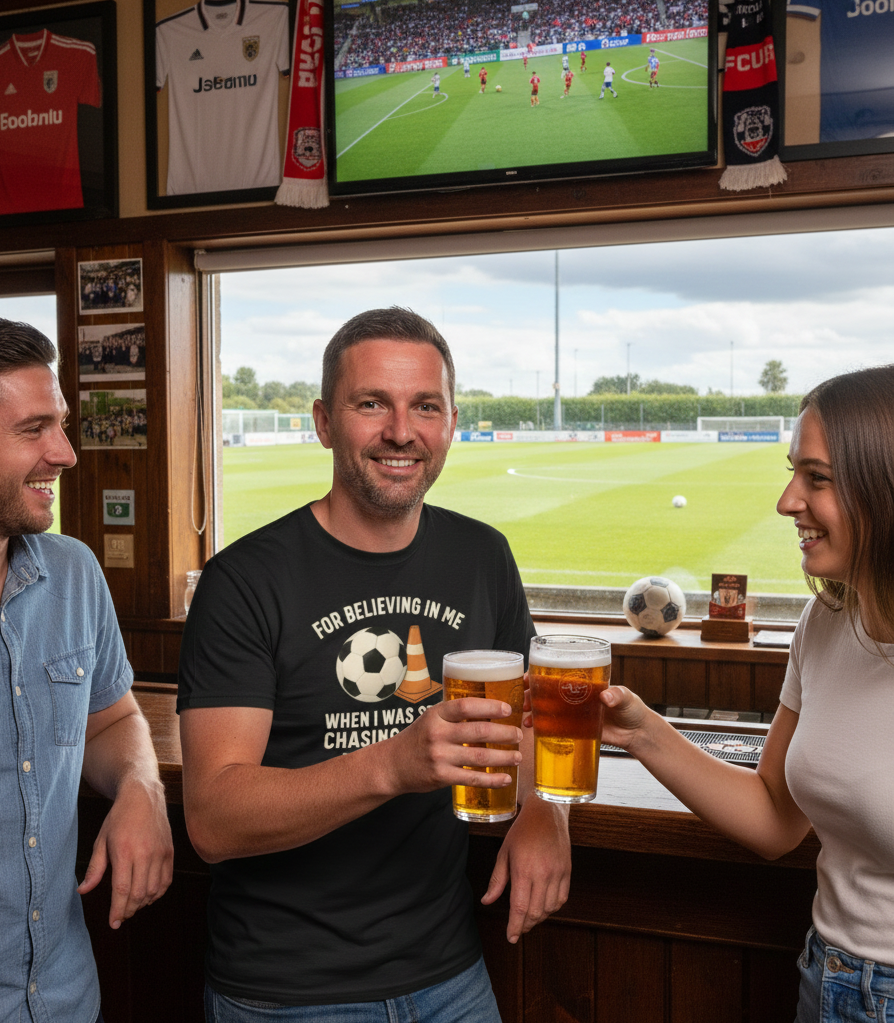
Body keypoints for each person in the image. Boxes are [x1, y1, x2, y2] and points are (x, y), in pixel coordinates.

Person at [178, 308, 571, 1022]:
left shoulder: (483, 556)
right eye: (372, 404)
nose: (401, 431)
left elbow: (535, 721)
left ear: (451, 420)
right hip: (286, 991)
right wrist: (394, 762)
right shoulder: (245, 579)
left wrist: (547, 810)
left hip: (451, 974)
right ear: (326, 422)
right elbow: (212, 817)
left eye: (426, 405)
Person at [592, 365, 894, 1022]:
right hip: (826, 975)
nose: (788, 500)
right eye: (794, 472)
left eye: (817, 478)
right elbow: (773, 819)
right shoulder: (826, 621)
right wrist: (641, 730)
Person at [0, 319, 174, 1023]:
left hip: (68, 1000)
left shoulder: (73, 571)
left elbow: (111, 716)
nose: (66, 453)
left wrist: (141, 784)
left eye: (62, 424)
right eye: (34, 428)